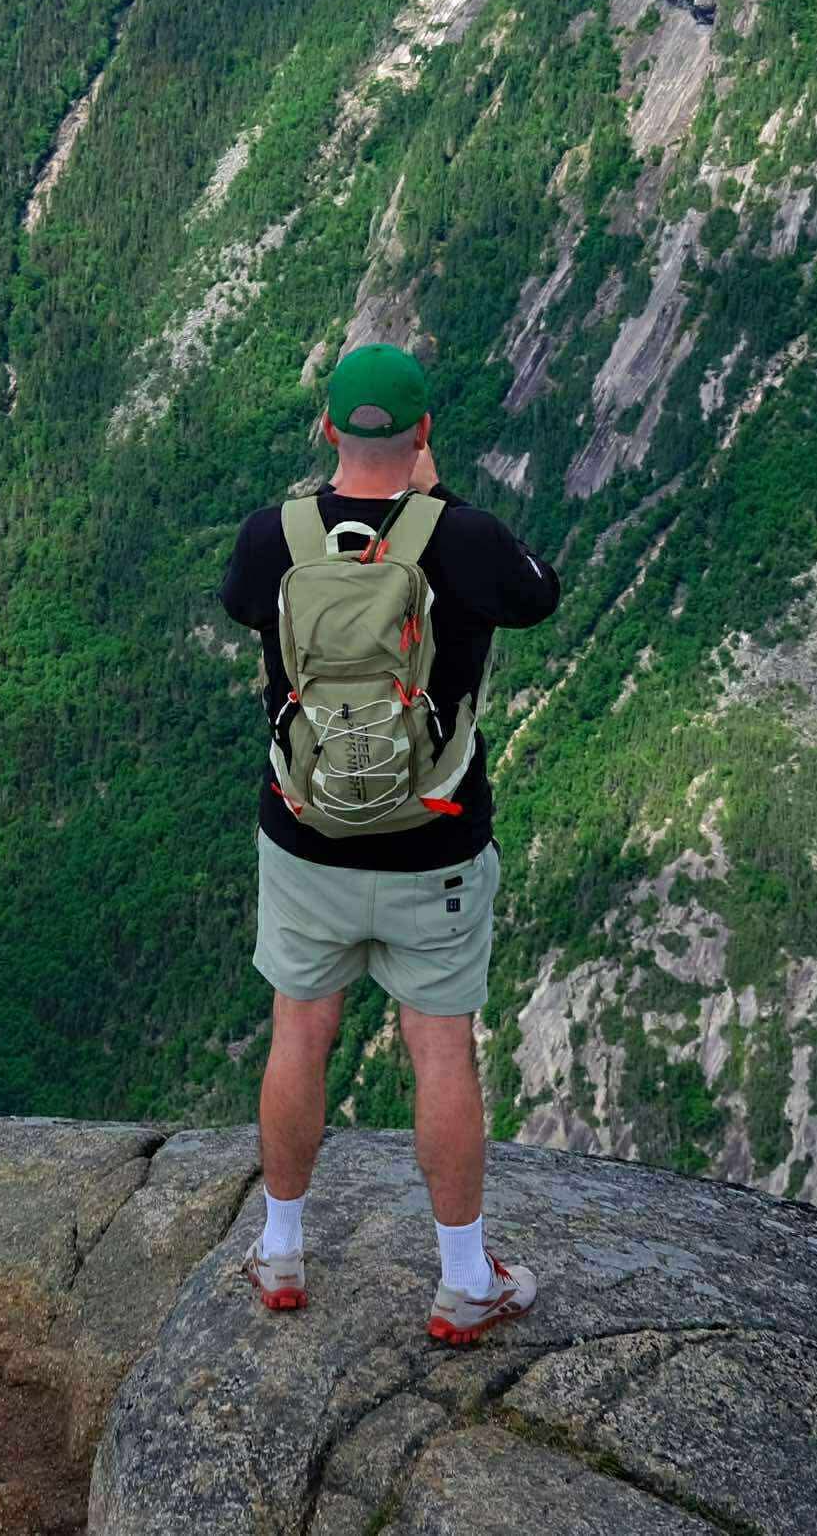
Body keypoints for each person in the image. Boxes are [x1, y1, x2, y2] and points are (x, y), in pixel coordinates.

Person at [217, 339, 563, 1343]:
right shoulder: (466, 539)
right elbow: (539, 594)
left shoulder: (270, 536)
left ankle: (281, 1252)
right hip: (435, 846)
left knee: (300, 1031)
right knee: (440, 1047)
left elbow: (244, 606)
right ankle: (463, 1278)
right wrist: (437, 495)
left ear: (327, 427)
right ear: (421, 434)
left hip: (305, 837)